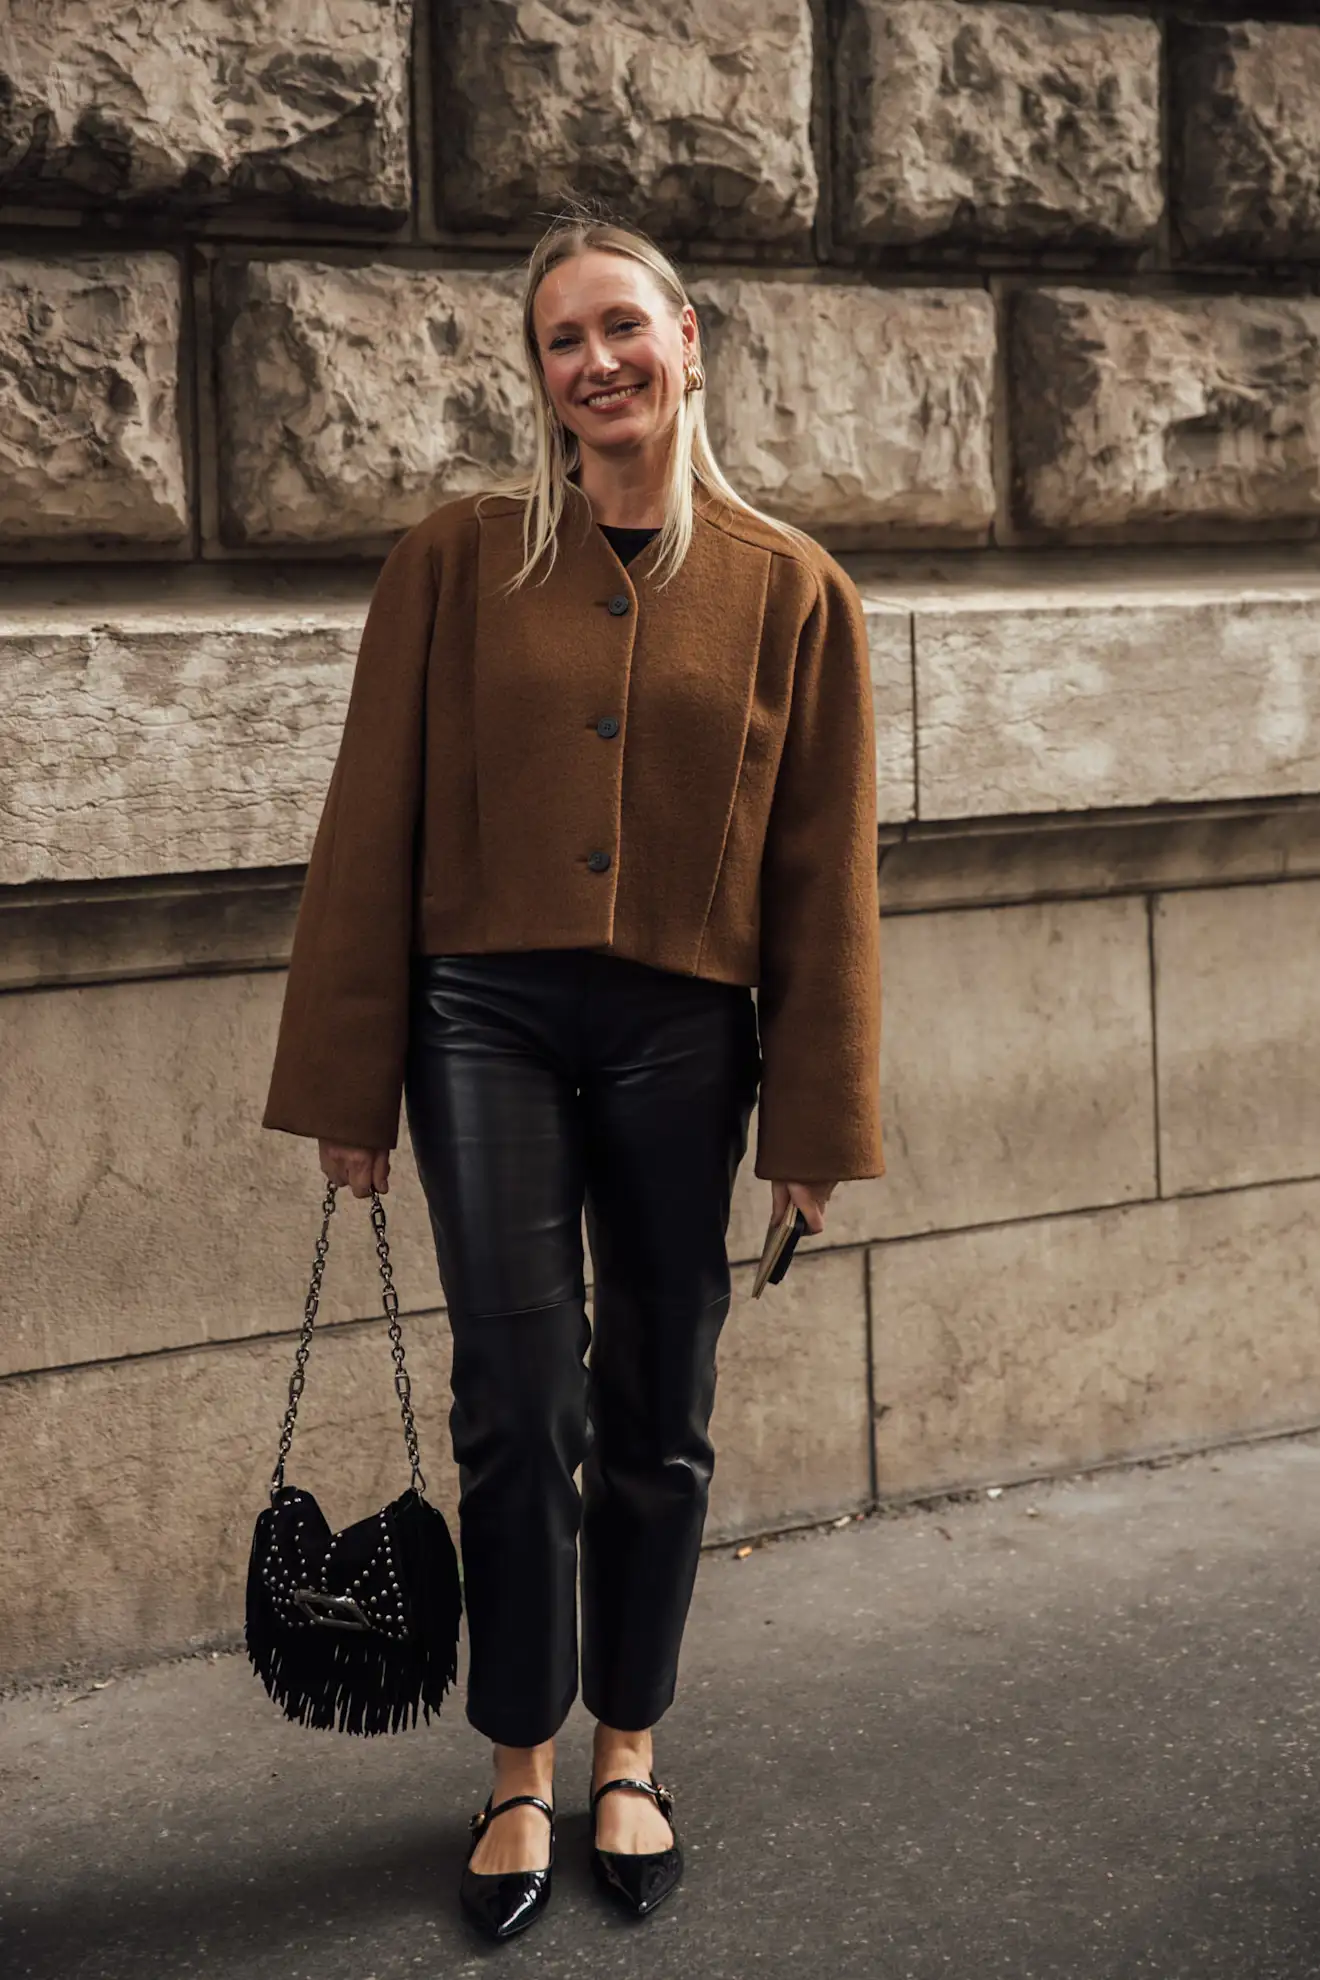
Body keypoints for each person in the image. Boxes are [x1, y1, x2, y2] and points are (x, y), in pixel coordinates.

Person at [262, 201, 884, 1942]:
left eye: (625, 325)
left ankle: (633, 1748)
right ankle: (519, 1768)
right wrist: (349, 1091)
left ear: (693, 340)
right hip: (489, 1024)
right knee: (517, 1401)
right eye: (562, 339)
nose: (597, 360)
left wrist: (816, 1124)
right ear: (539, 379)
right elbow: (367, 826)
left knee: (659, 1409)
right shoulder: (456, 562)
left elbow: (830, 876)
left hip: (691, 1035)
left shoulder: (792, 590)